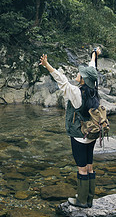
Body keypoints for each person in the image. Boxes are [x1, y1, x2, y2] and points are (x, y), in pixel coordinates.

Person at [39, 48, 101, 208]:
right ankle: (90, 199)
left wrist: (47, 65)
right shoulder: (94, 89)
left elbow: (62, 81)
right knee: (89, 165)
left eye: (81, 74)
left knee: (82, 169)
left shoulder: (76, 93)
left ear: (83, 79)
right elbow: (93, 66)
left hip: (79, 135)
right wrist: (95, 54)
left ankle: (81, 201)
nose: (79, 73)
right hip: (92, 133)